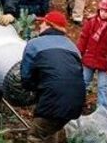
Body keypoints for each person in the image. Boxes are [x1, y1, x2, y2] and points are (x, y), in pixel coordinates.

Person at [21, 10, 86, 142]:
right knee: (52, 128)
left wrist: (36, 89)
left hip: (53, 100)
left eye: (42, 23)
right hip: (76, 102)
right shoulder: (73, 47)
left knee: (35, 136)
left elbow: (26, 79)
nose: (40, 26)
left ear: (49, 26)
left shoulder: (34, 44)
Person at [76, 0, 107, 111]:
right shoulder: (91, 23)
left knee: (103, 86)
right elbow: (83, 39)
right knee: (83, 82)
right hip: (89, 58)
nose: (103, 13)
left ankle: (103, 109)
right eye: (102, 10)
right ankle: (76, 102)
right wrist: (78, 53)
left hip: (105, 62)